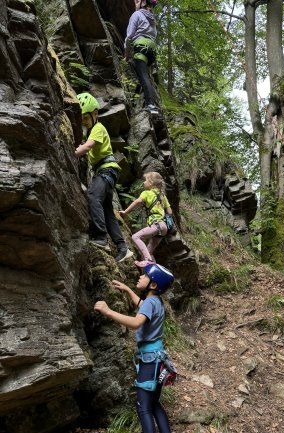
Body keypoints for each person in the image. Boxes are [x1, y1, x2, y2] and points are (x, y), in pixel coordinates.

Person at [94, 263, 182, 433]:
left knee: (144, 408)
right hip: (157, 359)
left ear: (152, 284)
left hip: (149, 362)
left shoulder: (150, 302)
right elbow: (141, 305)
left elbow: (135, 322)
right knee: (155, 406)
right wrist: (127, 289)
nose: (139, 277)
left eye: (144, 276)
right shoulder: (155, 301)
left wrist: (108, 311)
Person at [75, 92, 133, 263]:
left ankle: (101, 238)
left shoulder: (98, 128)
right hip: (105, 171)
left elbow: (89, 146)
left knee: (93, 196)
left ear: (95, 114)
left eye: (86, 118)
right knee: (107, 210)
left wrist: (77, 151)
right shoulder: (91, 130)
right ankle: (123, 248)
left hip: (107, 170)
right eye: (82, 119)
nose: (84, 122)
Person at [119, 171, 173, 268]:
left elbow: (137, 202)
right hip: (164, 228)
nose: (143, 182)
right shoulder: (162, 196)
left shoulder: (146, 193)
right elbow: (169, 212)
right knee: (148, 251)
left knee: (135, 237)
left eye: (145, 180)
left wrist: (125, 212)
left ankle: (148, 261)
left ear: (151, 183)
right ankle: (154, 270)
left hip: (155, 225)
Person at [125, 0, 160, 116]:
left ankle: (151, 105)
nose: (135, 3)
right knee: (145, 76)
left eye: (137, 1)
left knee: (144, 76)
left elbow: (129, 36)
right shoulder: (153, 20)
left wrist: (126, 53)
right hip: (151, 51)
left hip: (141, 48)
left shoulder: (137, 14)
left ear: (143, 2)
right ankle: (149, 100)